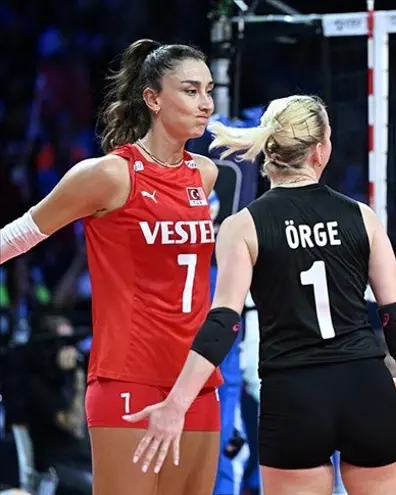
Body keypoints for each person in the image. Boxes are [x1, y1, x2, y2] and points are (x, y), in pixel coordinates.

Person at [122, 95, 396, 494]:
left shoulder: (242, 226)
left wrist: (177, 402)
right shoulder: (363, 217)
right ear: (320, 151)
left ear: (268, 150)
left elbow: (224, 323)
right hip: (364, 388)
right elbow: (395, 320)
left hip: (292, 396)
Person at [0, 38, 221, 494]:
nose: (206, 103)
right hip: (129, 377)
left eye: (208, 90)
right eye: (190, 91)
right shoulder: (108, 175)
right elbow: (19, 235)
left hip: (195, 381)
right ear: (153, 99)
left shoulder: (205, 175)